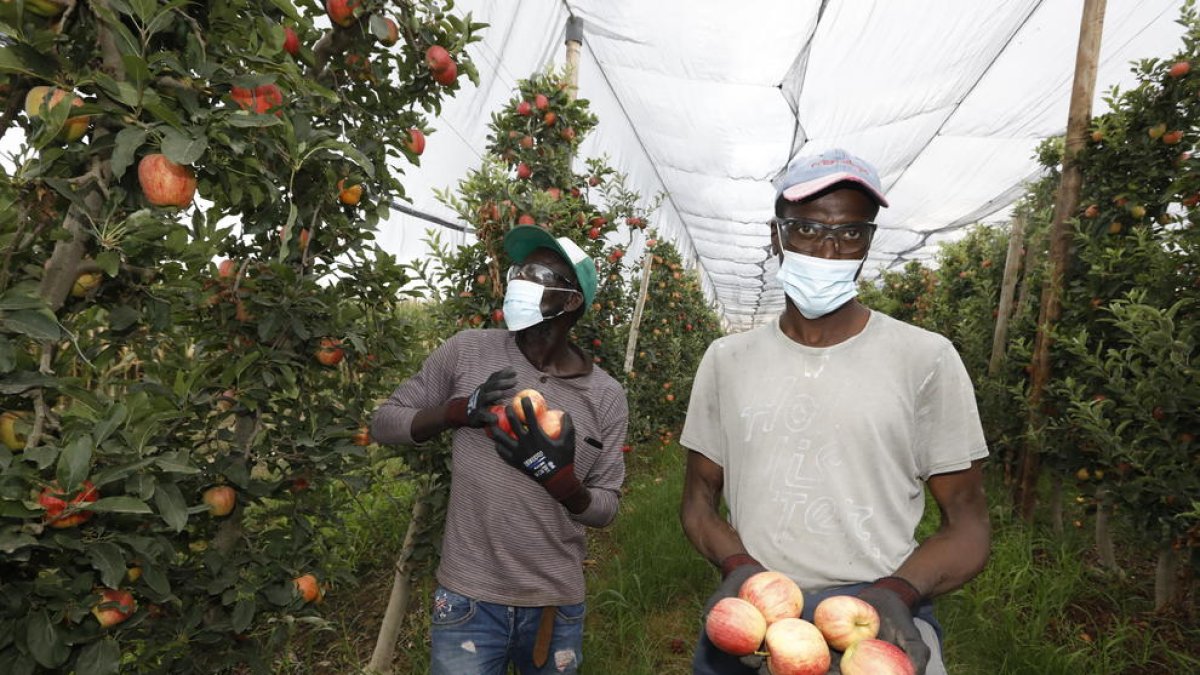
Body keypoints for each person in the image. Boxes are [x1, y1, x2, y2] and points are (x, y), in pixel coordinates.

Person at [680, 149, 990, 675]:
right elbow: (699, 499)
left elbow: (968, 521)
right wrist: (737, 567)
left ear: (868, 243)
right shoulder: (726, 361)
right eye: (806, 228)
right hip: (759, 615)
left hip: (877, 613)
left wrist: (898, 592)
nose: (828, 249)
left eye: (851, 233)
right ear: (776, 236)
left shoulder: (925, 358)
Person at [370, 226, 628, 674]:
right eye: (518, 271)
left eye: (535, 274)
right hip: (468, 596)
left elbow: (606, 507)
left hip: (553, 604)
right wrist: (457, 411)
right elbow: (384, 422)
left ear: (570, 301)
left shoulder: (605, 396)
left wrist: (566, 486)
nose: (517, 281)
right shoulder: (469, 351)